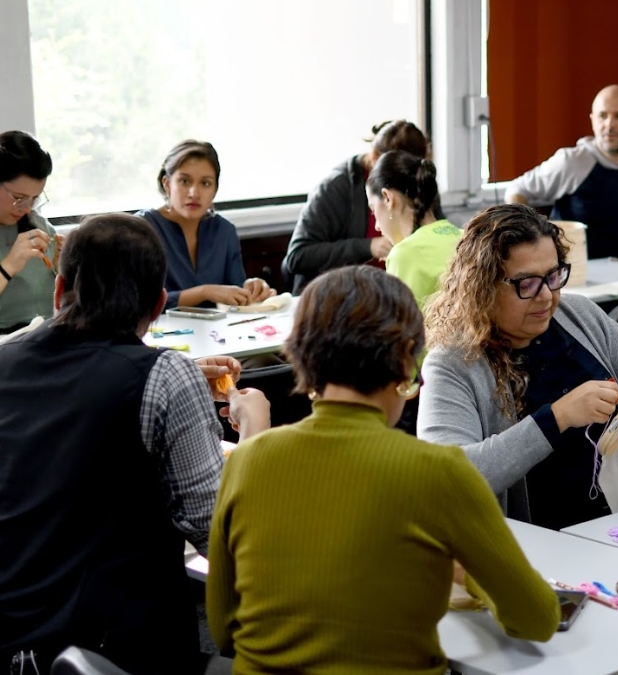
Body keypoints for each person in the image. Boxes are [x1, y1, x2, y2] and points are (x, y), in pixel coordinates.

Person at [207, 266, 558, 673]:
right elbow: (537, 618)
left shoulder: (246, 460)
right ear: (408, 359)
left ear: (300, 355)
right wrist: (464, 574)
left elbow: (223, 629)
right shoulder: (440, 471)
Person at [0, 213, 270, 675]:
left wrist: (168, 381)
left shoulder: (6, 362)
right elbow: (228, 537)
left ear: (59, 289)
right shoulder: (163, 378)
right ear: (159, 303)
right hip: (118, 652)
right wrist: (254, 436)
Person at [419, 203, 618, 530]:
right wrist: (556, 418)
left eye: (554, 276)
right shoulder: (453, 363)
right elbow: (449, 478)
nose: (546, 296)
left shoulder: (582, 315)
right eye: (526, 284)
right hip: (543, 544)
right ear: (483, 285)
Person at [505, 85, 618, 259]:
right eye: (602, 116)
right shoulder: (571, 161)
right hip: (574, 273)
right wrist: (528, 237)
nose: (609, 124)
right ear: (593, 120)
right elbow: (517, 189)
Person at [283, 120, 446, 292]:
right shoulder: (336, 187)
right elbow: (297, 257)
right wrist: (368, 247)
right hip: (335, 296)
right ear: (375, 159)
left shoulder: (421, 182)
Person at [137, 140, 274, 309]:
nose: (194, 193)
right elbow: (139, 302)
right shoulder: (142, 229)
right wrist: (204, 292)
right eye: (184, 181)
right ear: (167, 184)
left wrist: (252, 288)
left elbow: (236, 293)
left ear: (215, 190)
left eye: (205, 183)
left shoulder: (224, 231)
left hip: (219, 332)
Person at [367, 150, 462, 311]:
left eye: (373, 209)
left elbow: (399, 329)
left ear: (387, 198)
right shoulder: (465, 236)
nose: (377, 225)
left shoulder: (403, 254)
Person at [0, 130, 59, 334]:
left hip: (45, 340)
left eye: (34, 199)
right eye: (19, 198)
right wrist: (8, 266)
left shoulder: (40, 227)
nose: (26, 209)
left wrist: (66, 270)